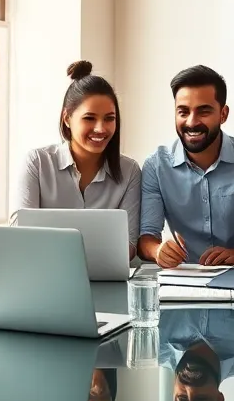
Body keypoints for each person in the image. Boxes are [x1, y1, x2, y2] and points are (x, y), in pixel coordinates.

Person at [16, 61, 141, 256]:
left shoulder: (130, 171)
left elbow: (129, 246)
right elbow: (20, 235)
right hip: (43, 274)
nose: (101, 129)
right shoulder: (38, 163)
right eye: (89, 118)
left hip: (106, 279)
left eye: (109, 118)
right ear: (67, 118)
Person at [139, 65, 234, 268]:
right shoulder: (156, 166)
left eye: (204, 111)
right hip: (184, 280)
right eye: (183, 112)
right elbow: (146, 237)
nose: (192, 122)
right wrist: (157, 250)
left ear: (223, 114)